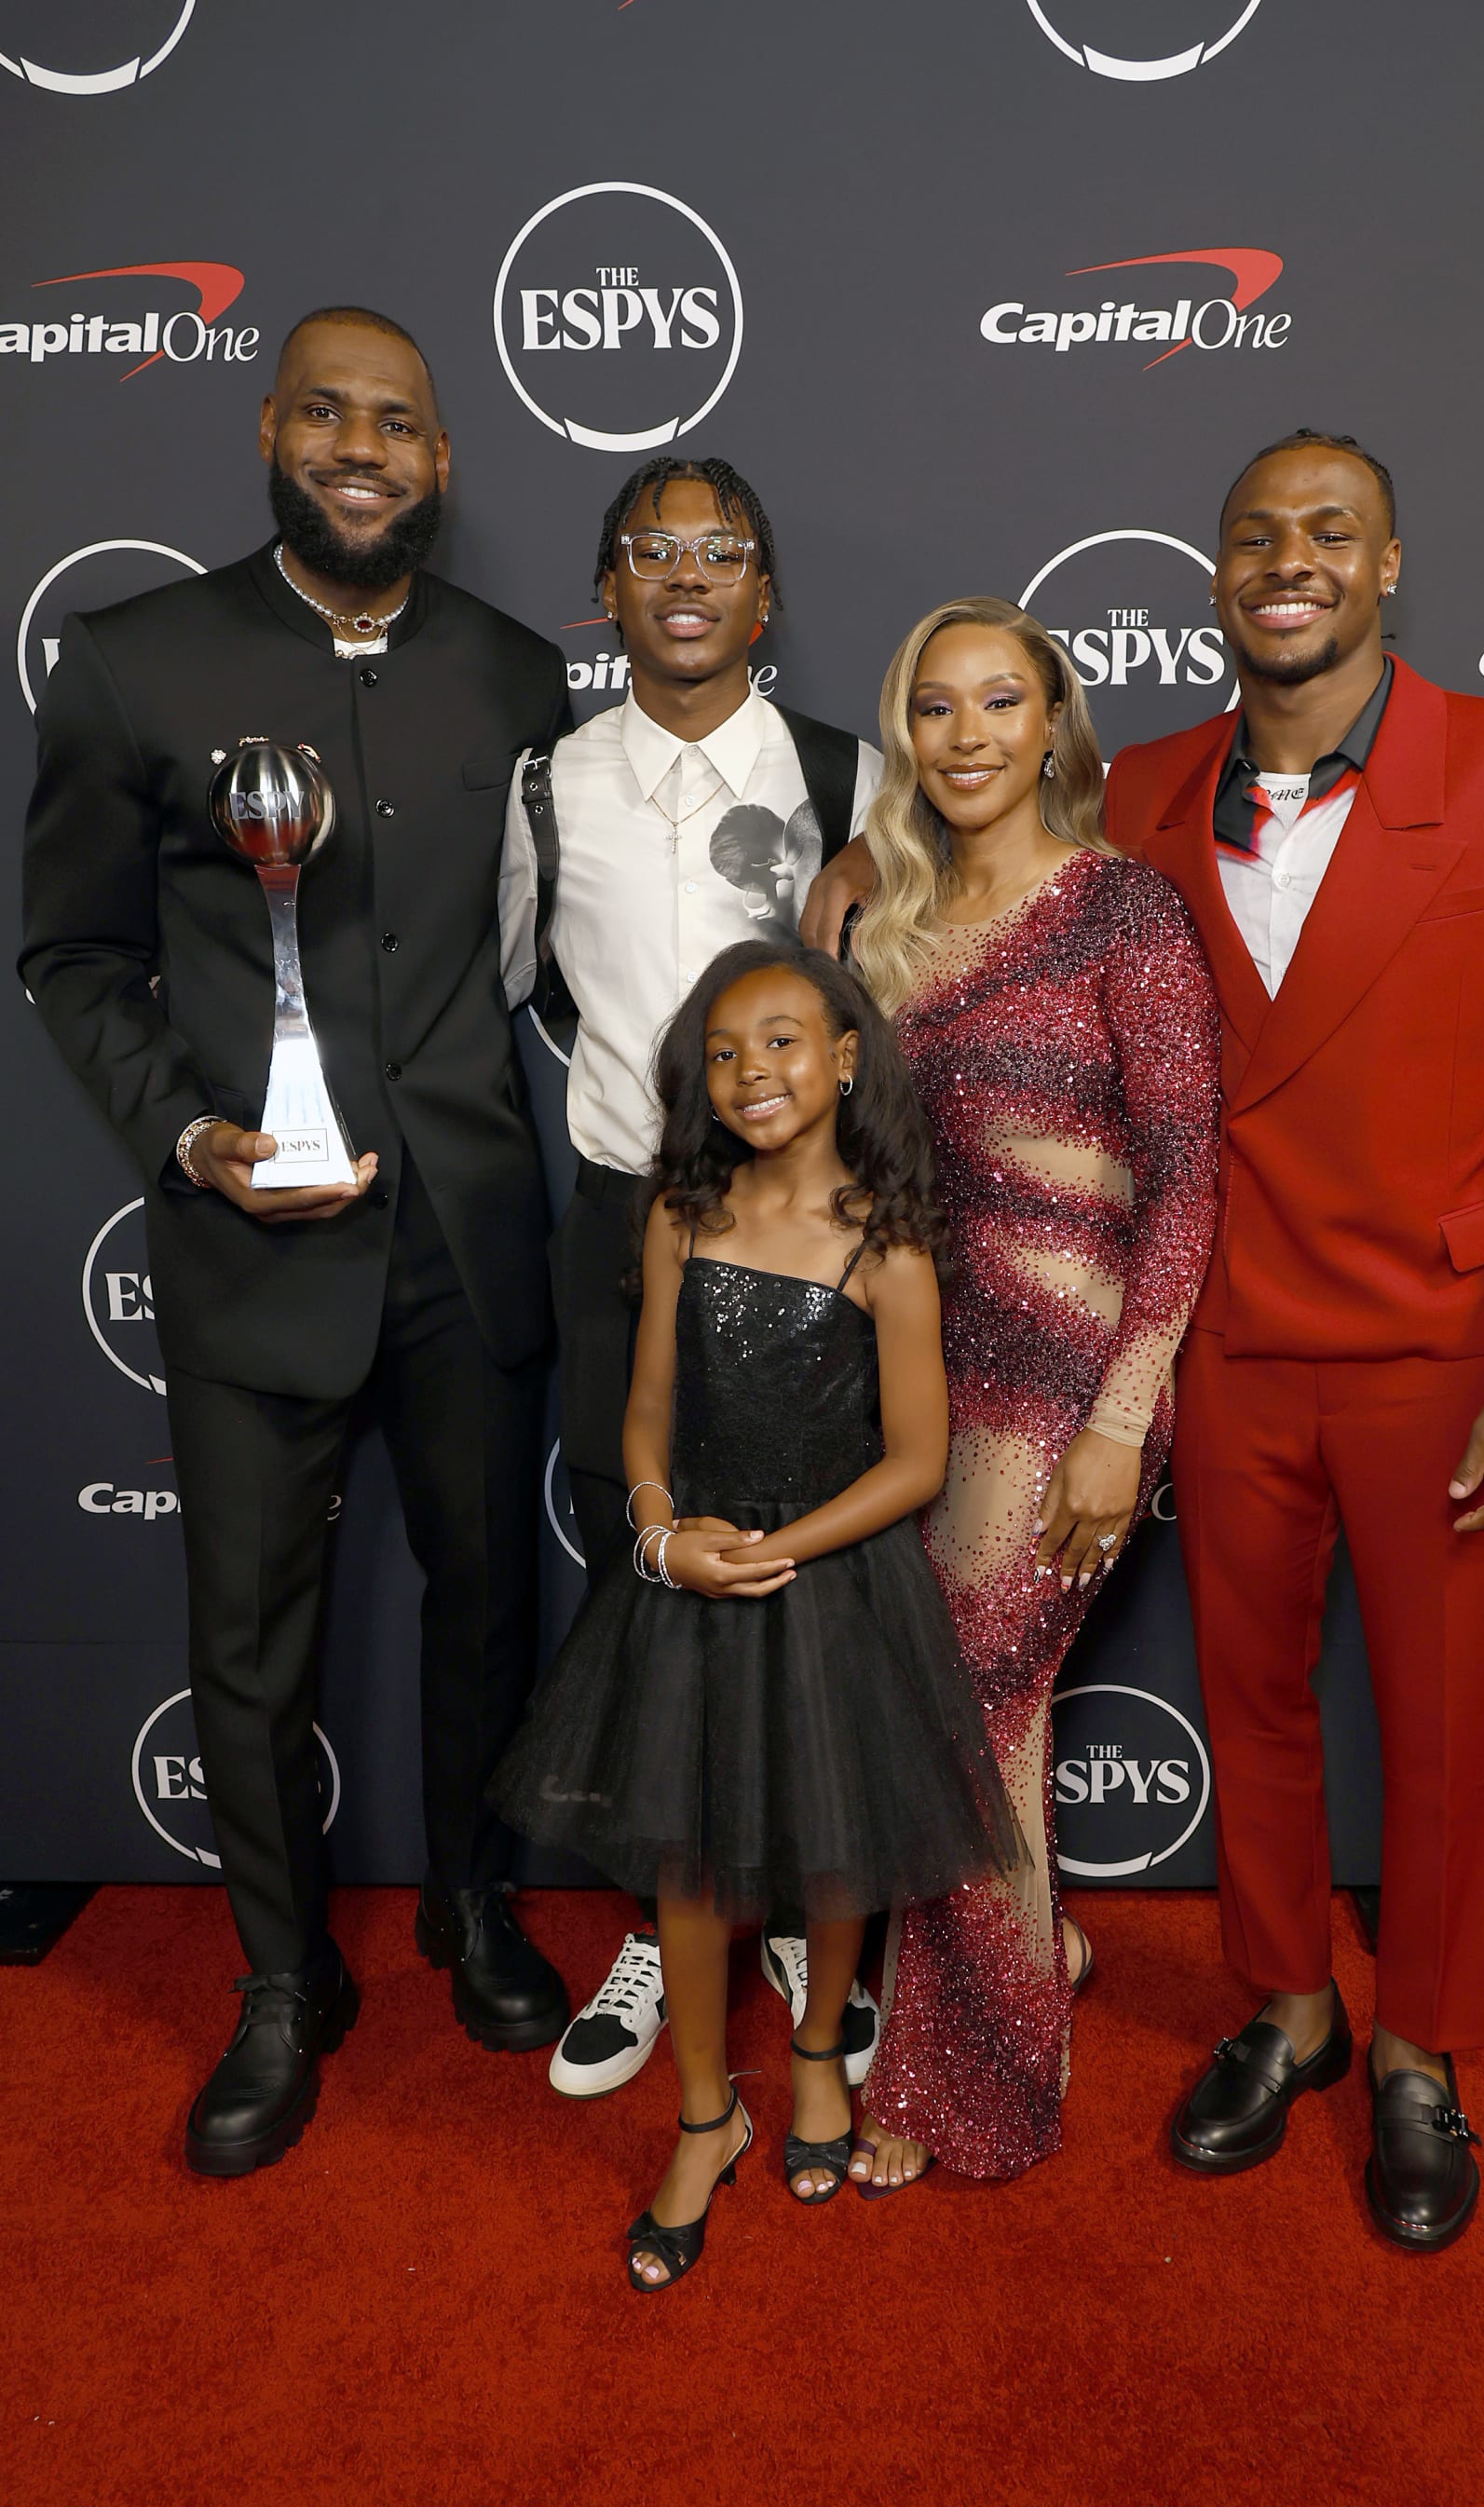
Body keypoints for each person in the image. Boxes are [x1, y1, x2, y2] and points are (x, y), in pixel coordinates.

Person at [20, 307, 572, 2176]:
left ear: (442, 460)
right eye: (327, 413)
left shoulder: (516, 675)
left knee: (487, 1604)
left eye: (397, 423)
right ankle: (279, 1982)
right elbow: (73, 954)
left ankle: (473, 1907)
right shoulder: (132, 665)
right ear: (270, 429)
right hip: (251, 1247)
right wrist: (190, 1136)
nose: (361, 448)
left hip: (470, 1240)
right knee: (250, 1643)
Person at [1103, 430, 1484, 2249]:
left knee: (1442, 1722)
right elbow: (1003, 898)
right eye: (1258, 532)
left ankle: (1419, 2047)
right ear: (1216, 573)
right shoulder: (1140, 792)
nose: (1293, 559)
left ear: (1389, 564)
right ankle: (1292, 2008)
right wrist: (868, 867)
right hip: (1230, 1337)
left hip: (1446, 1348)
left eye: (1331, 531)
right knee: (1248, 1704)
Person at [492, 942, 1018, 2288]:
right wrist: (662, 1534)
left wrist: (777, 1548)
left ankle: (818, 2056)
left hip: (832, 1579)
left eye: (781, 1042)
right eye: (723, 1054)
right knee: (686, 1865)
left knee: (837, 1843)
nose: (751, 1073)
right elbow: (647, 1409)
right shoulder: (681, 1216)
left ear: (844, 1058)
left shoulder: (888, 1243)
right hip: (691, 1577)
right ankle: (703, 2115)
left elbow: (918, 1460)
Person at [500, 457, 885, 2099]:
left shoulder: (848, 774)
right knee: (643, 1571)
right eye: (651, 549)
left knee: (810, 1577)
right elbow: (526, 985)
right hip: (624, 1221)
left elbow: (895, 988)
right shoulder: (547, 784)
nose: (685, 573)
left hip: (811, 1238)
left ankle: (796, 1905)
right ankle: (672, 1920)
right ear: (608, 589)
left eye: (720, 550)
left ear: (763, 594)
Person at [827, 597, 1219, 2187]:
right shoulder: (883, 922)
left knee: (971, 1706)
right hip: (919, 1371)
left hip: (1073, 1382)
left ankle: (969, 2079)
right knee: (954, 1707)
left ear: (1054, 723)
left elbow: (1187, 1178)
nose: (970, 734)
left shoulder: (1124, 908)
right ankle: (1029, 1953)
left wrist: (1125, 1414)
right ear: (905, 735)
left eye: (1003, 701)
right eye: (937, 707)